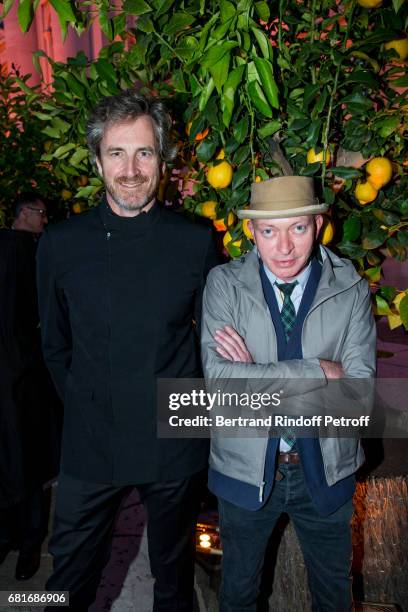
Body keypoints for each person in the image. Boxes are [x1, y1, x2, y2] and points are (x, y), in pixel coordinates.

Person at [37, 90, 219, 611]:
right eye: (117, 153)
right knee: (64, 582)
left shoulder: (196, 240)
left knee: (173, 577)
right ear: (97, 161)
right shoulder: (60, 244)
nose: (131, 169)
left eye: (144, 153)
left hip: (174, 443)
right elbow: (54, 345)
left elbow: (209, 346)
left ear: (162, 160)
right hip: (91, 442)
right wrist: (89, 404)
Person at [201, 176, 376, 611]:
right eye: (268, 231)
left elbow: (359, 397)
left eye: (297, 228)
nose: (283, 247)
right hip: (244, 471)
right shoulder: (224, 284)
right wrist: (319, 369)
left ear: (318, 225)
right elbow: (222, 388)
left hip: (327, 468)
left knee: (334, 597)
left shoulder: (350, 287)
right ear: (251, 232)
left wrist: (255, 375)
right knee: (238, 595)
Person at [0, 193, 59, 581]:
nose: (44, 220)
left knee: (13, 460)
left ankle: (16, 540)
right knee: (29, 460)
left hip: (14, 373)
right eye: (41, 214)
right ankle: (27, 544)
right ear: (24, 214)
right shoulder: (30, 253)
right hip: (23, 373)